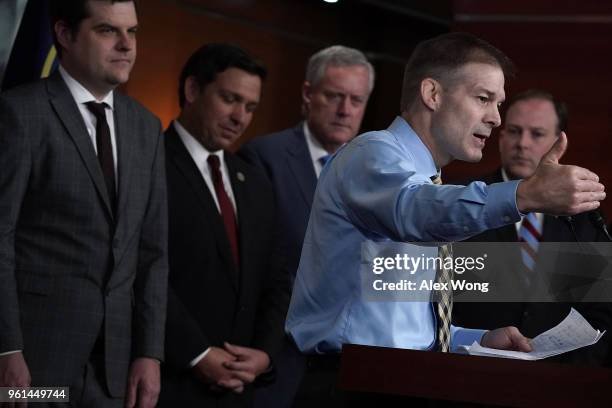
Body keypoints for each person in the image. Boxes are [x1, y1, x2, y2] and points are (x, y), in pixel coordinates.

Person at [285, 32, 605, 405]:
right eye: (483, 98)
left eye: (498, 103)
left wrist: (476, 339)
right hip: (350, 385)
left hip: (400, 380)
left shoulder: (427, 180)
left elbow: (407, 325)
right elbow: (414, 209)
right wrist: (525, 194)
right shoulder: (370, 154)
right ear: (433, 94)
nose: (496, 119)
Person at [0, 1, 167, 407]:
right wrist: (5, 349)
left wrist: (150, 352)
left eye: (133, 32)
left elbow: (153, 252)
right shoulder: (19, 113)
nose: (127, 45)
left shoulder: (147, 127)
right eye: (108, 30)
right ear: (64, 35)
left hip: (113, 372)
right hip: (34, 367)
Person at [238, 44, 373, 407]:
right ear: (308, 94)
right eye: (334, 96)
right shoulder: (264, 156)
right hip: (278, 359)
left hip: (349, 364)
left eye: (356, 100)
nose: (345, 110)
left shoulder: (377, 172)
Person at [159, 43, 290, 407]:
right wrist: (197, 353)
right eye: (230, 99)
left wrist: (263, 355)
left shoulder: (254, 181)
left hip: (239, 389)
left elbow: (278, 279)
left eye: (250, 107)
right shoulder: (151, 162)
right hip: (169, 382)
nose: (240, 117)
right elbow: (142, 270)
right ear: (192, 90)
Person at [453, 89, 612, 366]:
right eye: (514, 131)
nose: (522, 144)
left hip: (558, 382)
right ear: (500, 138)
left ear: (557, 142)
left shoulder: (584, 215)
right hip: (469, 372)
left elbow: (600, 313)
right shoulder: (461, 200)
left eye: (536, 134)